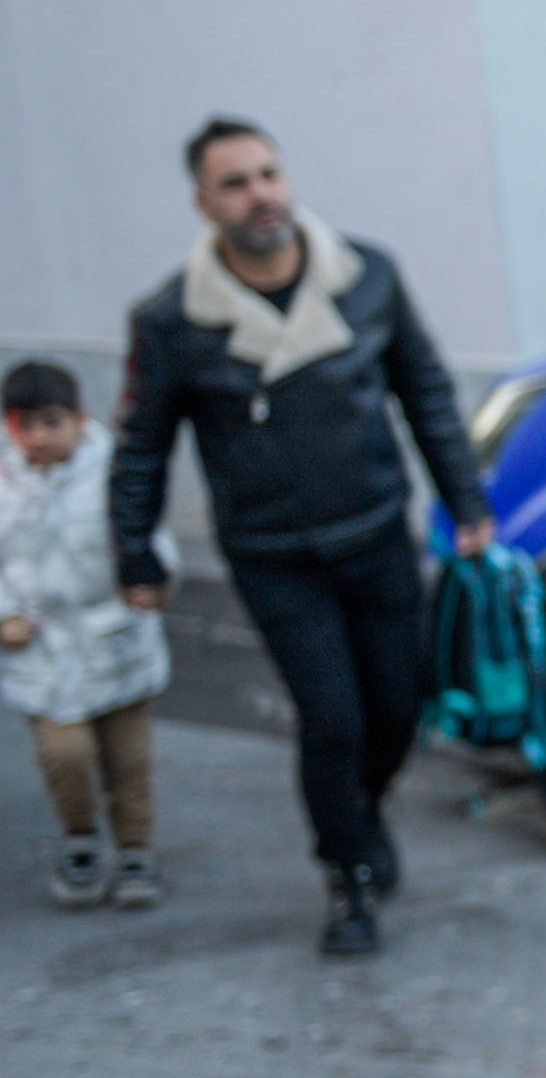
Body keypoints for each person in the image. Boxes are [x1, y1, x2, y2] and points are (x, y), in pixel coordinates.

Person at [110, 119, 493, 957]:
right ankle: (346, 876)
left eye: (269, 174)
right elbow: (143, 443)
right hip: (276, 557)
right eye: (237, 183)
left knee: (398, 707)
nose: (261, 195)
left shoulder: (368, 278)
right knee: (331, 720)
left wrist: (465, 499)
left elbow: (425, 391)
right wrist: (133, 550)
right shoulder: (173, 321)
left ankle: (360, 808)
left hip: (376, 535)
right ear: (205, 204)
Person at [3, 361, 174, 910]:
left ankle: (135, 849)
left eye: (51, 423)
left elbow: (148, 539)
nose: (38, 438)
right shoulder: (6, 484)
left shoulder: (115, 475)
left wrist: (151, 580)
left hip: (114, 640)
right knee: (65, 754)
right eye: (23, 425)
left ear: (80, 420)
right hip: (45, 654)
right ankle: (80, 834)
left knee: (129, 759)